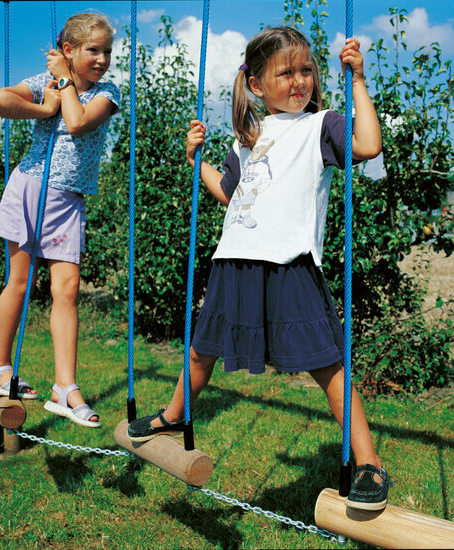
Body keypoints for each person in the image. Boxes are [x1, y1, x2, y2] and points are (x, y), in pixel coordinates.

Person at [128, 26, 394, 510]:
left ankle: (370, 464)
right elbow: (231, 196)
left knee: (329, 367)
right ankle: (173, 414)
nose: (299, 81)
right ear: (256, 84)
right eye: (285, 72)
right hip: (233, 262)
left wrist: (357, 79)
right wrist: (196, 162)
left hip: (289, 264)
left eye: (306, 71)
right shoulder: (247, 137)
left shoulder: (323, 126)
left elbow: (370, 145)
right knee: (200, 352)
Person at [0, 13, 120, 428]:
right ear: (69, 50)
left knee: (68, 289)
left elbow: (76, 123)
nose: (102, 59)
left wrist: (65, 85)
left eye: (107, 51)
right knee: (20, 283)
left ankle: (64, 386)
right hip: (30, 187)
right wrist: (44, 107)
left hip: (68, 200)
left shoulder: (107, 92)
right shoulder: (47, 81)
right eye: (93, 50)